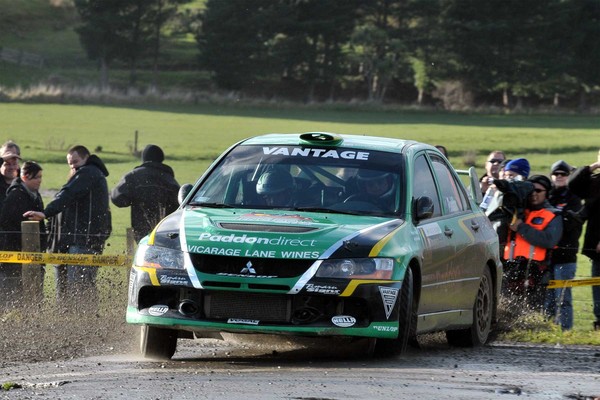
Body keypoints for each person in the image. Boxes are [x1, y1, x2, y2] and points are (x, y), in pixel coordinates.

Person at [24, 145, 111, 310]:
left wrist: (45, 213)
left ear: (86, 158)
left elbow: (68, 195)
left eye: (76, 162)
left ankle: (81, 323)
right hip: (79, 242)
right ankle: (82, 322)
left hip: (82, 242)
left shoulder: (88, 173)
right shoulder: (91, 175)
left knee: (78, 289)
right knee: (80, 288)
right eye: (70, 164)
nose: (73, 167)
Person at [504, 174, 562, 310]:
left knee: (530, 314)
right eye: (531, 190)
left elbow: (548, 240)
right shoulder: (516, 212)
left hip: (536, 274)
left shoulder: (553, 215)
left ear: (547, 193)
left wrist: (521, 227)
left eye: (539, 191)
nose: (534, 194)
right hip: (510, 270)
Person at [111, 144, 180, 242]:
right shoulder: (170, 181)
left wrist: (131, 199)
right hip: (166, 234)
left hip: (142, 233)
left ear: (144, 158)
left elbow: (117, 199)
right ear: (161, 159)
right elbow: (180, 207)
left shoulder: (134, 176)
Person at [0, 161, 46, 308]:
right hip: (15, 256)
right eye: (36, 177)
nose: (39, 180)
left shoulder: (34, 195)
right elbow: (7, 225)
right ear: (25, 177)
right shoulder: (16, 196)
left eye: (40, 177)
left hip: (32, 255)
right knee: (13, 295)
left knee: (32, 294)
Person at [544, 160, 583, 330]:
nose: (559, 177)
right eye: (556, 174)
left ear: (568, 176)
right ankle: (546, 331)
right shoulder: (546, 196)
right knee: (547, 298)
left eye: (563, 174)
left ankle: (566, 332)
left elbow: (574, 224)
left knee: (563, 298)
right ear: (551, 176)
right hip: (545, 257)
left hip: (566, 257)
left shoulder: (574, 198)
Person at [568, 155, 600, 330]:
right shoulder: (596, 183)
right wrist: (592, 167)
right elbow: (573, 184)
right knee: (598, 289)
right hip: (597, 251)